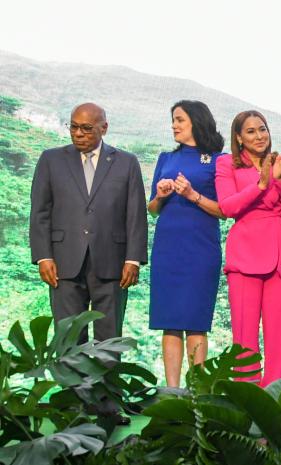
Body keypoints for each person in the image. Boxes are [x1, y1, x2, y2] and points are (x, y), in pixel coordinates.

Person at [29, 102, 148, 343]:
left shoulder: (127, 162)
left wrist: (133, 259)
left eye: (86, 128)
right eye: (73, 127)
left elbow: (135, 214)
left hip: (113, 264)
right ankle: (74, 383)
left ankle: (105, 382)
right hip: (63, 264)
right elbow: (40, 212)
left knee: (109, 339)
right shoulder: (51, 159)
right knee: (69, 337)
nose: (78, 133)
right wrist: (43, 256)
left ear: (104, 128)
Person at [215, 110, 281, 386]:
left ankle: (276, 400)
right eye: (251, 131)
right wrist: (262, 183)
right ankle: (248, 398)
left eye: (263, 129)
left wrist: (280, 178)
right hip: (245, 254)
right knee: (244, 337)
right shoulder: (226, 164)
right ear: (239, 137)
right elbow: (228, 206)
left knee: (280, 336)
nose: (259, 135)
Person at [147, 100, 226, 387]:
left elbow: (225, 210)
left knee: (195, 321)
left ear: (196, 121)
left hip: (201, 249)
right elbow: (153, 209)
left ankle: (198, 394)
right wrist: (160, 194)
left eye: (179, 119)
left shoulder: (219, 160)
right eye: (173, 120)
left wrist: (193, 194)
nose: (174, 125)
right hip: (168, 249)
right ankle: (171, 392)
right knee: (169, 322)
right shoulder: (165, 159)